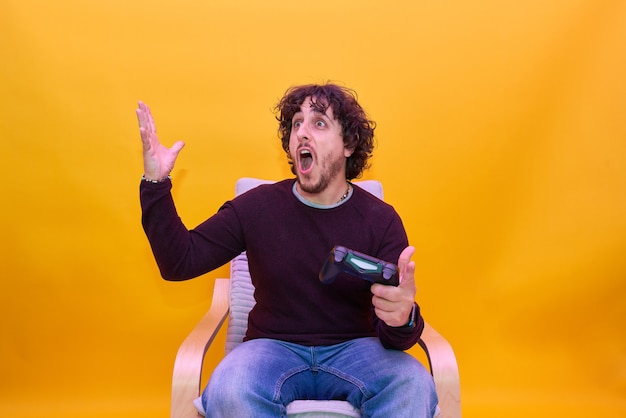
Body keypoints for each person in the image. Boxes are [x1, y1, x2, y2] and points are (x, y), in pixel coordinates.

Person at [137, 83, 438, 417]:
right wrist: (155, 184)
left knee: (413, 384)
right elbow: (179, 262)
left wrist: (402, 318)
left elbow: (395, 338)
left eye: (319, 123)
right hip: (271, 349)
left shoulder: (381, 220)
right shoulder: (256, 208)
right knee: (229, 388)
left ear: (348, 144)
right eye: (296, 124)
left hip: (358, 350)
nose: (302, 134)